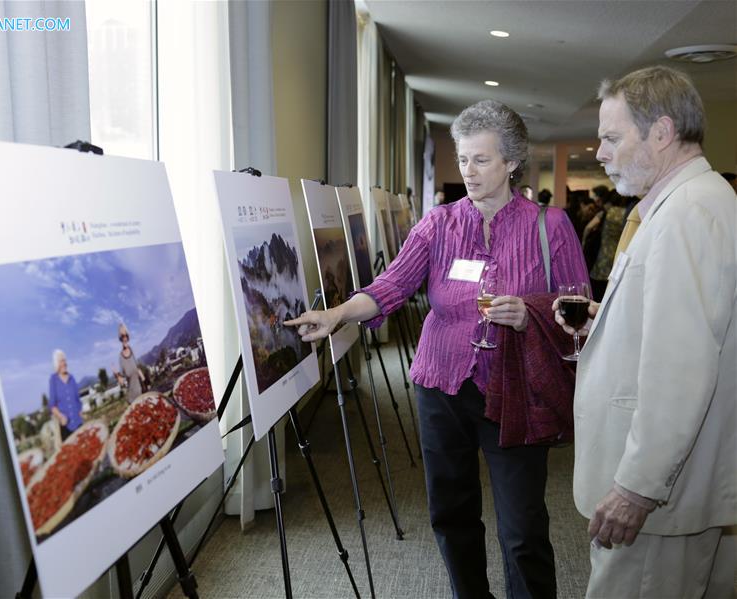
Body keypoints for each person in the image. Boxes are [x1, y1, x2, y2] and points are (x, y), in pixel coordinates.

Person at [287, 100, 589, 599]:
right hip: (441, 387)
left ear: (512, 162)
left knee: (523, 528)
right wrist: (337, 313)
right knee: (450, 512)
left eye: (482, 160)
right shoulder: (438, 224)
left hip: (514, 391)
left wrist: (531, 310)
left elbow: (577, 304)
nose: (468, 171)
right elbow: (390, 286)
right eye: (463, 158)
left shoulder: (550, 226)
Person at [554, 65, 736, 598]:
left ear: (660, 132)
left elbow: (681, 370)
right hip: (682, 489)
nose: (601, 152)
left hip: (664, 500)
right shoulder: (684, 204)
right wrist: (605, 327)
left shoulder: (688, 213)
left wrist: (636, 488)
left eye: (612, 137)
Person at [48, 349, 83, 440]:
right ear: (56, 364)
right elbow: (52, 405)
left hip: (78, 424)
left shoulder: (72, 378)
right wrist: (60, 416)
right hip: (66, 427)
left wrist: (80, 411)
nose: (64, 363)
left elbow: (78, 401)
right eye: (61, 361)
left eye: (64, 360)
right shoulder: (53, 380)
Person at [115, 323, 146, 402]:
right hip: (132, 398)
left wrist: (145, 382)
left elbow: (138, 368)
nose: (124, 338)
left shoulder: (132, 351)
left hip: (142, 393)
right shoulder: (121, 358)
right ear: (120, 338)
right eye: (122, 336)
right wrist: (118, 376)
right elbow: (122, 381)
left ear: (128, 337)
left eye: (126, 335)